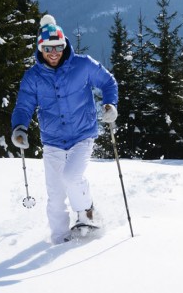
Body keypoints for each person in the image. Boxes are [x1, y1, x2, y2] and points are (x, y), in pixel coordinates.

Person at [11, 14, 119, 244]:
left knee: (71, 175)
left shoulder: (83, 65)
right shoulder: (33, 77)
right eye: (48, 47)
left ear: (64, 44)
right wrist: (19, 128)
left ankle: (87, 212)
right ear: (40, 48)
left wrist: (110, 104)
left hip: (82, 134)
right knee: (55, 195)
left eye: (58, 46)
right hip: (52, 139)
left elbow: (108, 82)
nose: (54, 52)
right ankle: (59, 239)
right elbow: (24, 105)